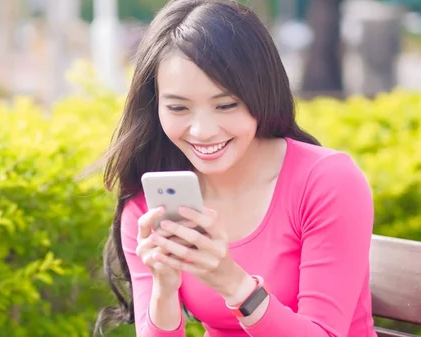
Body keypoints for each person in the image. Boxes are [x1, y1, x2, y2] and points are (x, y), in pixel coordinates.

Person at [93, 0, 377, 336]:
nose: (203, 130)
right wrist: (164, 290)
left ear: (260, 93)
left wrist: (232, 283)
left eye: (226, 105)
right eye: (178, 107)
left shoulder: (326, 182)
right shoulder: (150, 206)